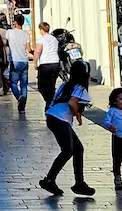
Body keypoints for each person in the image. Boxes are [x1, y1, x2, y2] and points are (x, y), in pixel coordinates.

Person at [39, 60, 94, 198]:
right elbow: (72, 103)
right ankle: (49, 179)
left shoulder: (65, 85)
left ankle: (79, 183)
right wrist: (78, 116)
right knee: (68, 151)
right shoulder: (80, 88)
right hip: (60, 119)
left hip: (52, 117)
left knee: (77, 148)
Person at [4, 13, 33, 116]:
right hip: (24, 60)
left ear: (15, 22)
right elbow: (29, 49)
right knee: (24, 85)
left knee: (13, 83)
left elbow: (6, 43)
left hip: (14, 61)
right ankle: (22, 107)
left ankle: (19, 97)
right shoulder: (26, 34)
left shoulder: (9, 32)